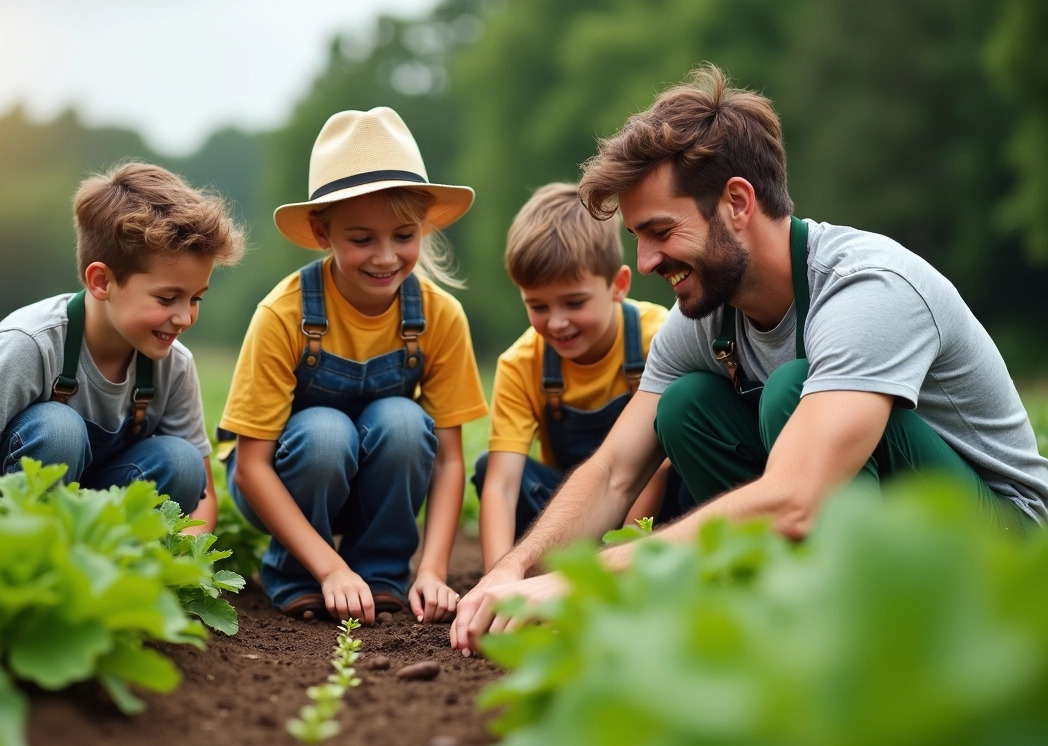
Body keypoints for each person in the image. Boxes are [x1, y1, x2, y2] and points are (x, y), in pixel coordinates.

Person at [451, 63, 1048, 654]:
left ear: (737, 201)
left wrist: (586, 582)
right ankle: (784, 609)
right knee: (686, 406)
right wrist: (518, 570)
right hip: (878, 533)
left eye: (660, 230)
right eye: (638, 237)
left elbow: (797, 498)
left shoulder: (868, 290)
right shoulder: (702, 315)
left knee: (792, 390)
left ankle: (864, 632)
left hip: (1001, 550)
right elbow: (614, 471)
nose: (649, 260)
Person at [217, 106, 487, 626]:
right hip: (281, 480)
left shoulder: (438, 316)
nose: (386, 257)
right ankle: (300, 572)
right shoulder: (286, 313)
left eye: (404, 236)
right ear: (322, 232)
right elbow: (251, 468)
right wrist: (330, 569)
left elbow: (450, 460)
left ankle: (381, 573)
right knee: (324, 431)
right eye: (361, 239)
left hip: (376, 481)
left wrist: (431, 570)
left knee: (404, 423)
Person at [0, 162, 244, 535]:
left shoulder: (174, 364)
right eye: (168, 298)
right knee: (59, 430)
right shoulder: (31, 343)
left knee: (181, 462)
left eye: (196, 299)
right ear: (101, 281)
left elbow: (203, 497)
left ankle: (103, 566)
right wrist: (10, 539)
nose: (184, 317)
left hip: (90, 517)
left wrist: (179, 557)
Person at [472, 182, 673, 572]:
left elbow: (658, 468)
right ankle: (543, 567)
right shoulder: (521, 363)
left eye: (574, 302)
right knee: (486, 468)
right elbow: (502, 485)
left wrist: (620, 557)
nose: (558, 322)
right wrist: (498, 573)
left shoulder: (659, 337)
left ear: (618, 285)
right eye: (538, 306)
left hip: (652, 512)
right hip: (569, 512)